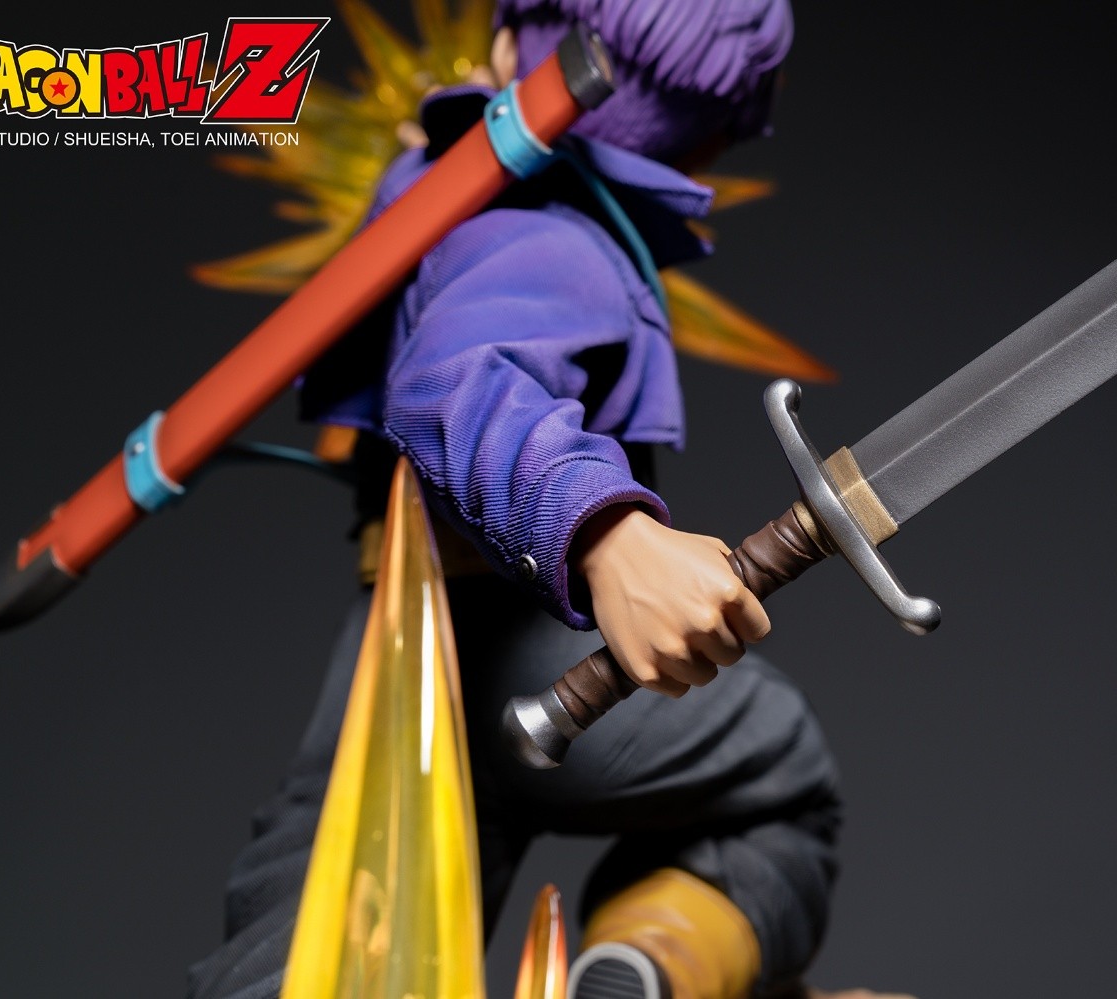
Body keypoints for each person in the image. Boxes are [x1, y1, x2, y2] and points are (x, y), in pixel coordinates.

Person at [187, 3, 857, 998]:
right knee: (784, 785)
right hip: (528, 648)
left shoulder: (451, 199)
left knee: (323, 941)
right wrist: (606, 533)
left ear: (507, 45)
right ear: (713, 142)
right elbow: (457, 384)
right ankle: (653, 964)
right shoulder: (546, 232)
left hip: (401, 648)